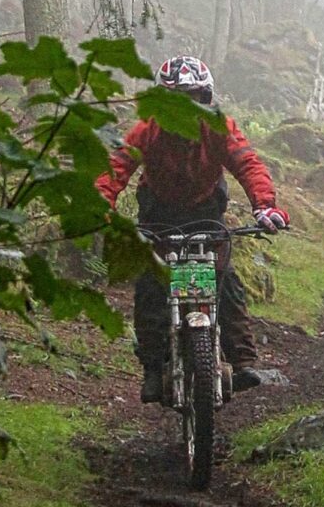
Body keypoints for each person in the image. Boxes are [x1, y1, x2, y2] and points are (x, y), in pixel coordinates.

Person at [98, 56, 288, 404]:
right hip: (158, 211)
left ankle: (242, 360)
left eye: (194, 98)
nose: (186, 107)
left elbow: (247, 163)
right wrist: (100, 207)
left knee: (225, 278)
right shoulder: (147, 129)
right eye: (177, 99)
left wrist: (265, 206)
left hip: (205, 210)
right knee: (150, 284)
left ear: (205, 98)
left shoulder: (219, 126)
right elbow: (117, 166)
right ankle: (153, 367)